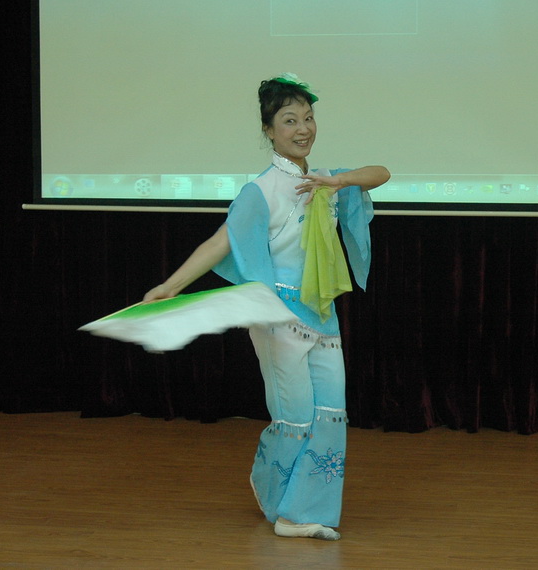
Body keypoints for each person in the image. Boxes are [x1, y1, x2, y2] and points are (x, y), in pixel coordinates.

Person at [143, 73, 389, 540]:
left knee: (330, 413)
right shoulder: (262, 191)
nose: (303, 128)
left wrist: (337, 182)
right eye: (290, 120)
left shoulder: (325, 180)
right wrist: (171, 286)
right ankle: (279, 498)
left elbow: (381, 173)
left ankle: (303, 512)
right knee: (294, 417)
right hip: (278, 316)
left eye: (308, 118)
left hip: (322, 314)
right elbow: (220, 242)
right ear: (269, 130)